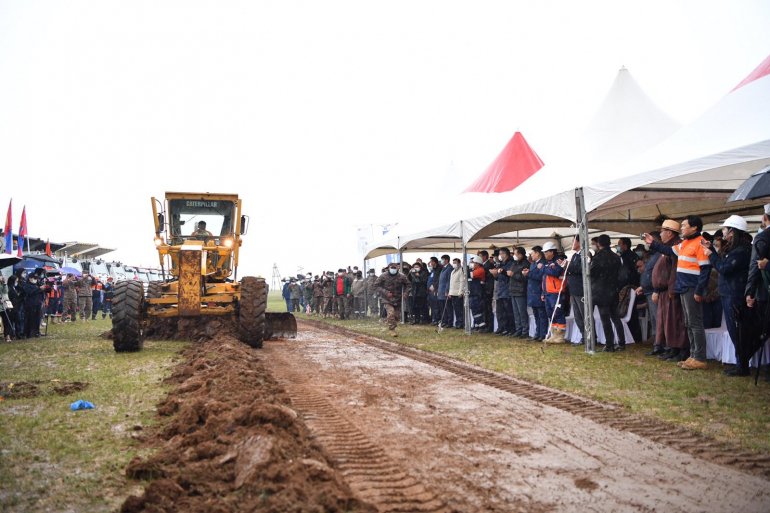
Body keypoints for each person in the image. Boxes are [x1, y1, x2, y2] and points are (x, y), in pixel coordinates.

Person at [647, 215, 712, 370]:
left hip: (692, 287)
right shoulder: (684, 243)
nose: (681, 228)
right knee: (689, 323)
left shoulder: (700, 243)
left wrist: (699, 289)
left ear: (694, 227)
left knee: (695, 323)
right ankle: (693, 354)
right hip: (683, 287)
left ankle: (700, 357)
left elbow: (705, 269)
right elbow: (669, 250)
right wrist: (653, 244)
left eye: (684, 226)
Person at [704, 215, 752, 376]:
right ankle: (741, 363)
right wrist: (711, 250)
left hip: (734, 295)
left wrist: (710, 254)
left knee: (737, 331)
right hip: (729, 293)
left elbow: (724, 268)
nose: (723, 232)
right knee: (734, 331)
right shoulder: (737, 249)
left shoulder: (741, 251)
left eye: (725, 229)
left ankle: (742, 365)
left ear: (732, 232)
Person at [591, 234, 626, 352]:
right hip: (613, 290)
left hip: (600, 292)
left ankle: (609, 344)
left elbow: (591, 273)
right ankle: (622, 343)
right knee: (615, 318)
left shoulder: (597, 257)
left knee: (605, 319)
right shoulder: (616, 257)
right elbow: (622, 276)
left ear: (598, 244)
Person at [637, 232, 662, 352]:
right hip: (648, 291)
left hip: (654, 291)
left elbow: (657, 274)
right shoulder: (653, 255)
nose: (646, 243)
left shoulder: (659, 255)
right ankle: (657, 342)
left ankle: (660, 344)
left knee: (657, 318)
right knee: (653, 318)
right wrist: (643, 286)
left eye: (648, 241)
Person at [375, 262, 410, 337]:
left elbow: (408, 285)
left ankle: (391, 324)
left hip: (398, 299)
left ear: (397, 268)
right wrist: (385, 292)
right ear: (389, 268)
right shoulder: (383, 276)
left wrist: (405, 294)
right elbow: (376, 285)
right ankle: (392, 330)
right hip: (387, 299)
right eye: (392, 268)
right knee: (391, 313)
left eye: (395, 268)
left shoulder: (402, 276)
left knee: (397, 316)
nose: (393, 269)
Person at [542, 241, 567, 343]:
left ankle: (560, 336)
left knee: (558, 312)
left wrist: (545, 268)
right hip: (548, 291)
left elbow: (556, 272)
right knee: (550, 313)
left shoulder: (559, 260)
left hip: (557, 291)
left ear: (551, 252)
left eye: (546, 252)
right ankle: (554, 335)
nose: (544, 254)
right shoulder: (548, 263)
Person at [566, 236, 586, 342]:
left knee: (584, 314)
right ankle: (583, 335)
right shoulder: (574, 255)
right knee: (577, 315)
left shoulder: (584, 254)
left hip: (580, 289)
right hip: (573, 289)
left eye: (573, 241)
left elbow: (581, 268)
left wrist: (568, 266)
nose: (572, 243)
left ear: (579, 242)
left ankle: (590, 336)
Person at [525, 246, 547, 341]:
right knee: (536, 314)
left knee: (542, 314)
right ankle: (538, 333)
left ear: (538, 253)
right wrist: (527, 273)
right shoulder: (533, 264)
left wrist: (528, 274)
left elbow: (540, 277)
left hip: (539, 291)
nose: (531, 255)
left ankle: (543, 333)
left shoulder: (543, 263)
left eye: (532, 253)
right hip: (532, 292)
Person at [490, 248, 514, 336]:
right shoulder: (501, 264)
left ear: (506, 254)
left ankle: (510, 328)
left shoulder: (511, 263)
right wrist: (495, 274)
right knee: (500, 311)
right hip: (500, 290)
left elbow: (509, 275)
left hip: (507, 290)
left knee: (508, 312)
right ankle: (502, 327)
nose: (500, 255)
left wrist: (502, 272)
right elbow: (499, 277)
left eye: (502, 253)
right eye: (500, 254)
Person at [509, 247, 529, 338]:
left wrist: (513, 275)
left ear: (521, 254)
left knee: (522, 312)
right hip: (513, 290)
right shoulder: (514, 263)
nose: (514, 256)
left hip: (521, 291)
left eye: (516, 254)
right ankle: (518, 329)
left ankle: (525, 331)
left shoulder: (525, 264)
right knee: (516, 312)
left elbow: (524, 278)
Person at [478, 250, 495, 333]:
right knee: (484, 309)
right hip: (483, 290)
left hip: (487, 290)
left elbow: (490, 279)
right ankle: (485, 325)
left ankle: (489, 326)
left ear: (484, 257)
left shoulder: (489, 265)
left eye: (480, 256)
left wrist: (489, 290)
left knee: (488, 309)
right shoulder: (482, 266)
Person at [447, 258, 467, 329]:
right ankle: (457, 322)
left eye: (455, 262)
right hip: (452, 293)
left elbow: (462, 282)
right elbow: (451, 283)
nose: (454, 264)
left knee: (459, 310)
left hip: (458, 293)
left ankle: (460, 323)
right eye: (453, 262)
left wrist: (460, 292)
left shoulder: (461, 271)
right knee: (455, 309)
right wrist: (449, 292)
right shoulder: (452, 271)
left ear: (459, 263)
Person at [468, 259, 486, 330]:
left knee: (477, 309)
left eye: (473, 263)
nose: (472, 264)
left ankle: (481, 323)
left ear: (478, 263)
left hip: (477, 293)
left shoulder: (480, 270)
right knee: (474, 309)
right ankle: (477, 324)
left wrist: (467, 268)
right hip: (472, 292)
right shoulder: (475, 270)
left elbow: (471, 275)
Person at [437, 255, 452, 328]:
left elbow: (448, 281)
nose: (441, 261)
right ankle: (444, 321)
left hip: (445, 291)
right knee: (442, 308)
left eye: (442, 259)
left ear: (446, 260)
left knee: (447, 308)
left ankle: (449, 322)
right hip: (440, 291)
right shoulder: (443, 268)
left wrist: (447, 290)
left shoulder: (449, 268)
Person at [1, 275, 14, 341]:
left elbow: (6, 291)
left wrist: (4, 283)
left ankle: (7, 335)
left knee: (6, 321)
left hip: (3, 305)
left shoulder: (2, 284)